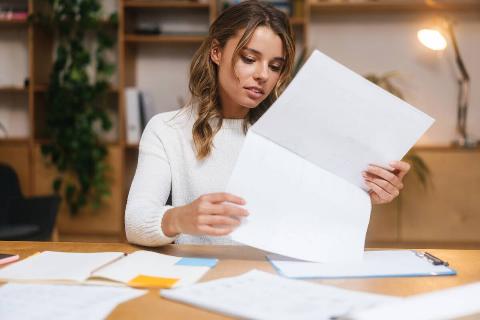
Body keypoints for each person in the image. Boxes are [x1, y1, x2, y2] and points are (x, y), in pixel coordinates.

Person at [125, 0, 411, 247]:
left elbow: (318, 218)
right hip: (201, 275)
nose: (263, 75)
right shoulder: (167, 130)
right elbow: (135, 222)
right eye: (249, 59)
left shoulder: (294, 133)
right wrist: (178, 217)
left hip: (277, 278)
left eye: (275, 66)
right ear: (216, 52)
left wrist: (367, 195)